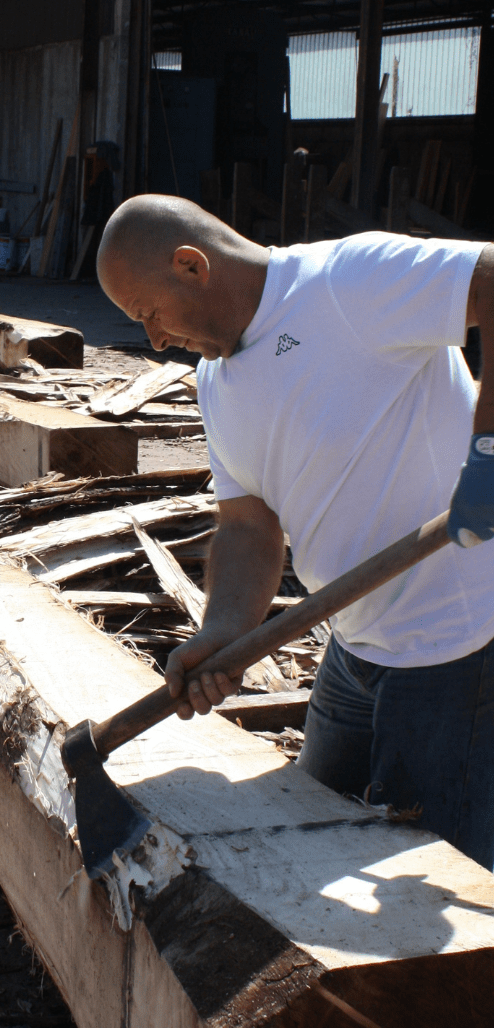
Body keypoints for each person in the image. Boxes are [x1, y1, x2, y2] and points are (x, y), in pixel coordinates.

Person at [96, 194, 494, 867]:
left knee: (432, 895)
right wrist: (227, 627)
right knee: (306, 853)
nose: (154, 339)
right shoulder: (216, 382)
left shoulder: (347, 282)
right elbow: (248, 523)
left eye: (148, 314)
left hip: (457, 649)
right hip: (355, 642)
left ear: (192, 266)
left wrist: (487, 452)